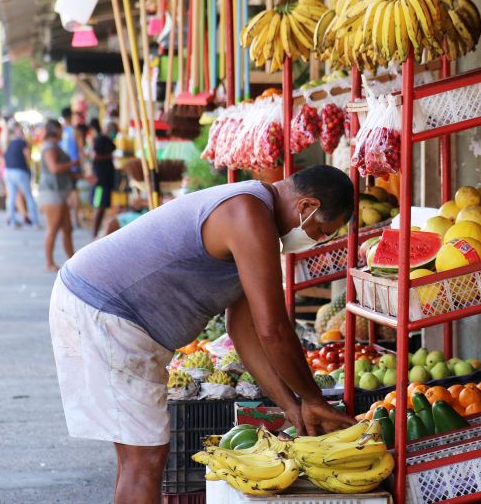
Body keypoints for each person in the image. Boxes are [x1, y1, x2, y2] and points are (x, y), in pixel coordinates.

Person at [49, 165, 356, 503]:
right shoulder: (248, 214)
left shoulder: (257, 220)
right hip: (106, 311)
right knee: (145, 459)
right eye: (323, 230)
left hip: (106, 311)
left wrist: (291, 406)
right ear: (306, 206)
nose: (319, 240)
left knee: (139, 457)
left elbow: (245, 331)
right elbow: (274, 330)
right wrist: (312, 399)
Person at [39, 119, 79, 272]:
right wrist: (72, 164)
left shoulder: (54, 147)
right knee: (53, 228)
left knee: (67, 228)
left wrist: (80, 176)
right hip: (52, 193)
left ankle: (73, 260)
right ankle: (49, 263)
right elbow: (54, 168)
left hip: (60, 191)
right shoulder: (49, 148)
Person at [3, 121, 39, 228]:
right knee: (29, 196)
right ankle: (35, 222)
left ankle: (12, 222)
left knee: (12, 197)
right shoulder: (22, 143)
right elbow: (28, 157)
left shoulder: (7, 143)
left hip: (8, 172)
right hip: (20, 171)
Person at [88, 118, 116, 238]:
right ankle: (94, 233)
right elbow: (94, 156)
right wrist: (109, 156)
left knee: (102, 206)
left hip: (106, 178)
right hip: (100, 179)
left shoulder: (106, 140)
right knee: (99, 206)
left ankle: (95, 232)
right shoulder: (100, 140)